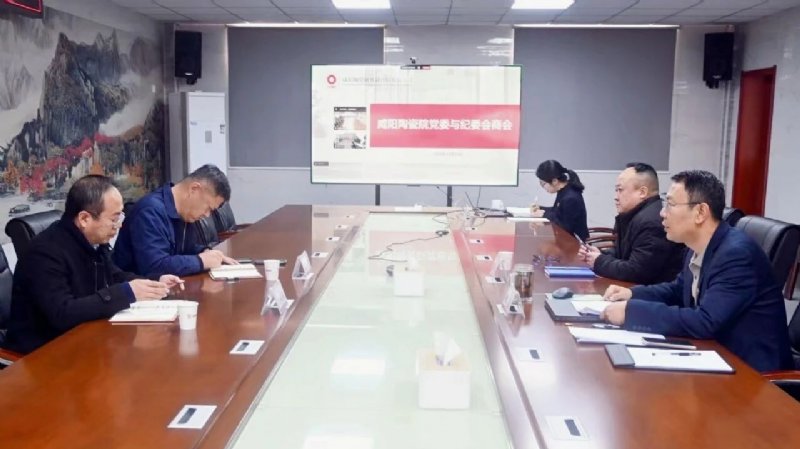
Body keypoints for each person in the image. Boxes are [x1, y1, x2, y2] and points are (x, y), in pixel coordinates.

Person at [601, 170, 792, 372]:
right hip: (716, 354)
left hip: (753, 374)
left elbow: (705, 321)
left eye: (670, 205)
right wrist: (632, 294)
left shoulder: (736, 254)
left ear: (700, 212)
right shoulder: (697, 246)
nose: (662, 213)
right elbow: (678, 289)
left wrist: (632, 312)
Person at [4, 175, 183, 354]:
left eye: (120, 216)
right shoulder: (44, 252)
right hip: (43, 352)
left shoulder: (92, 241)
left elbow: (114, 275)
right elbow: (62, 313)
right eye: (114, 219)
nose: (119, 226)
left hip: (84, 338)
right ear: (84, 219)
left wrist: (153, 283)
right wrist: (126, 293)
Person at [113, 164, 237, 278]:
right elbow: (154, 267)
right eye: (208, 208)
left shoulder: (184, 213)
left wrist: (205, 252)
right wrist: (201, 261)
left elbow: (187, 249)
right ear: (194, 189)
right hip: (136, 290)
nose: (207, 215)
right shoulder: (150, 212)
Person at [578, 163, 684, 284]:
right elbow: (624, 253)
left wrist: (599, 261)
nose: (616, 197)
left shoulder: (651, 221)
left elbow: (637, 271)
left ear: (642, 192)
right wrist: (598, 254)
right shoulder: (634, 215)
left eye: (620, 190)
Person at [531, 160, 589, 240]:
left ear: (554, 181)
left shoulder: (570, 198)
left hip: (575, 243)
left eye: (543, 184)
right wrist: (540, 208)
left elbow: (564, 227)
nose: (543, 187)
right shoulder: (563, 190)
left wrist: (543, 214)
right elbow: (557, 211)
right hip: (564, 239)